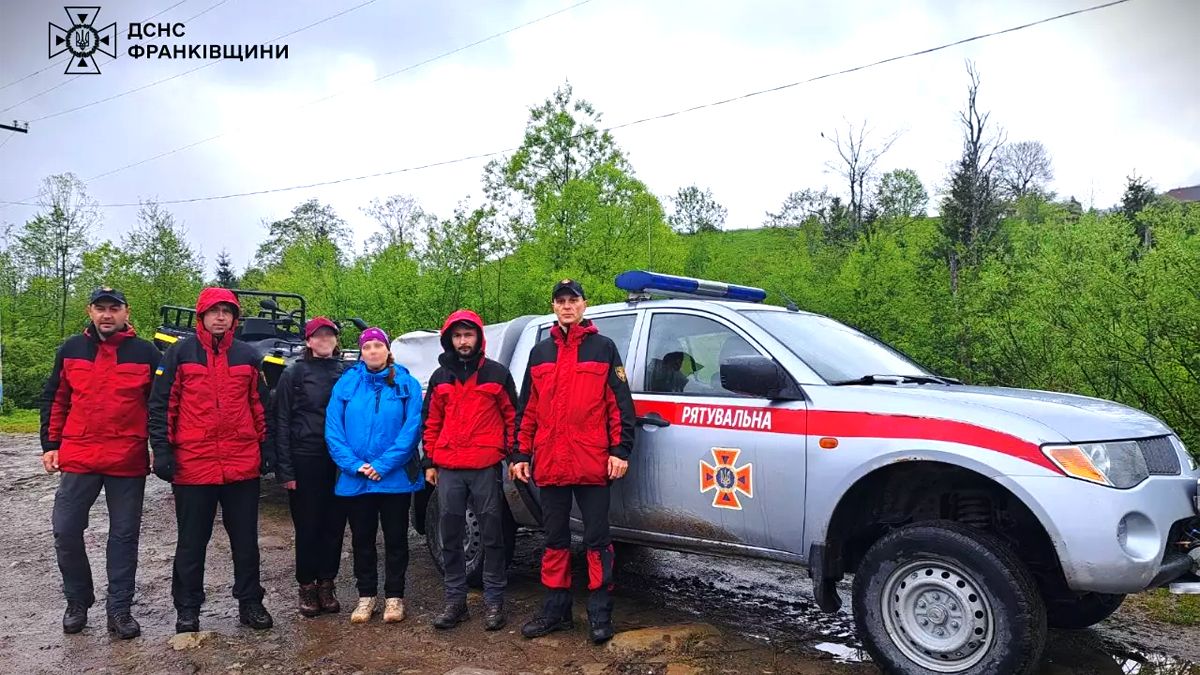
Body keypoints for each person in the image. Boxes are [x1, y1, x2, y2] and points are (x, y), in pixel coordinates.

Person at [511, 278, 635, 644]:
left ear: (584, 305)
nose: (567, 306)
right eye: (561, 301)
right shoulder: (540, 353)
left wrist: (620, 450)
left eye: (573, 300)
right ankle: (556, 610)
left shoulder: (604, 348)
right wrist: (520, 453)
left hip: (592, 462)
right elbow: (527, 410)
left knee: (596, 540)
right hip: (550, 464)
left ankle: (599, 613)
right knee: (554, 540)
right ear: (554, 307)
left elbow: (620, 406)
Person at [148, 287, 274, 633]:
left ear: (235, 318)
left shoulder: (248, 356)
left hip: (241, 465)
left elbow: (260, 407)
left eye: (227, 311)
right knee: (191, 542)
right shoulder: (179, 353)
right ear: (201, 315)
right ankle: (188, 608)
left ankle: (250, 603)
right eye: (214, 311)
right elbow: (161, 407)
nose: (221, 317)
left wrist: (267, 449)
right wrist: (162, 450)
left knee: (246, 541)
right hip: (194, 465)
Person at [39, 287, 161, 639]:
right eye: (100, 308)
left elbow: (158, 407)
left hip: (127, 459)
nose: (107, 315)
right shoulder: (71, 349)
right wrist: (51, 443)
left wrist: (158, 448)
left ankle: (119, 609)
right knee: (65, 530)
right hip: (79, 456)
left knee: (123, 536)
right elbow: (56, 398)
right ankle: (78, 601)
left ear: (126, 312)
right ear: (89, 311)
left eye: (114, 308)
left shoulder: (146, 353)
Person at [422, 310, 518, 631]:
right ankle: (455, 601)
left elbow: (512, 418)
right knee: (450, 535)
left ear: (479, 338)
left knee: (493, 535)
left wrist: (509, 455)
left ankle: (494, 601)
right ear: (450, 339)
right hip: (448, 467)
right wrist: (430, 462)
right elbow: (431, 421)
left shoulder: (497, 374)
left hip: (484, 466)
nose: (463, 342)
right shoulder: (440, 377)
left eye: (469, 335)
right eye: (458, 336)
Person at [325, 327, 423, 624]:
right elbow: (333, 429)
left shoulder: (406, 383)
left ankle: (395, 597)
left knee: (395, 539)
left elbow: (411, 430)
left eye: (378, 346)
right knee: (362, 540)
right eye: (367, 347)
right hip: (356, 478)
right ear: (361, 352)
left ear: (388, 350)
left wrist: (381, 465)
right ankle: (366, 596)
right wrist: (354, 465)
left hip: (393, 478)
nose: (372, 352)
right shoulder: (347, 383)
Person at [274, 317, 348, 617]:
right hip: (306, 456)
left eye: (329, 335)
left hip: (340, 460)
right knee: (308, 526)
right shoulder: (293, 373)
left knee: (334, 525)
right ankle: (306, 585)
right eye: (318, 336)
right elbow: (280, 421)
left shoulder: (346, 372)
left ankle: (327, 583)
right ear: (308, 341)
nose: (324, 340)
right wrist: (285, 470)